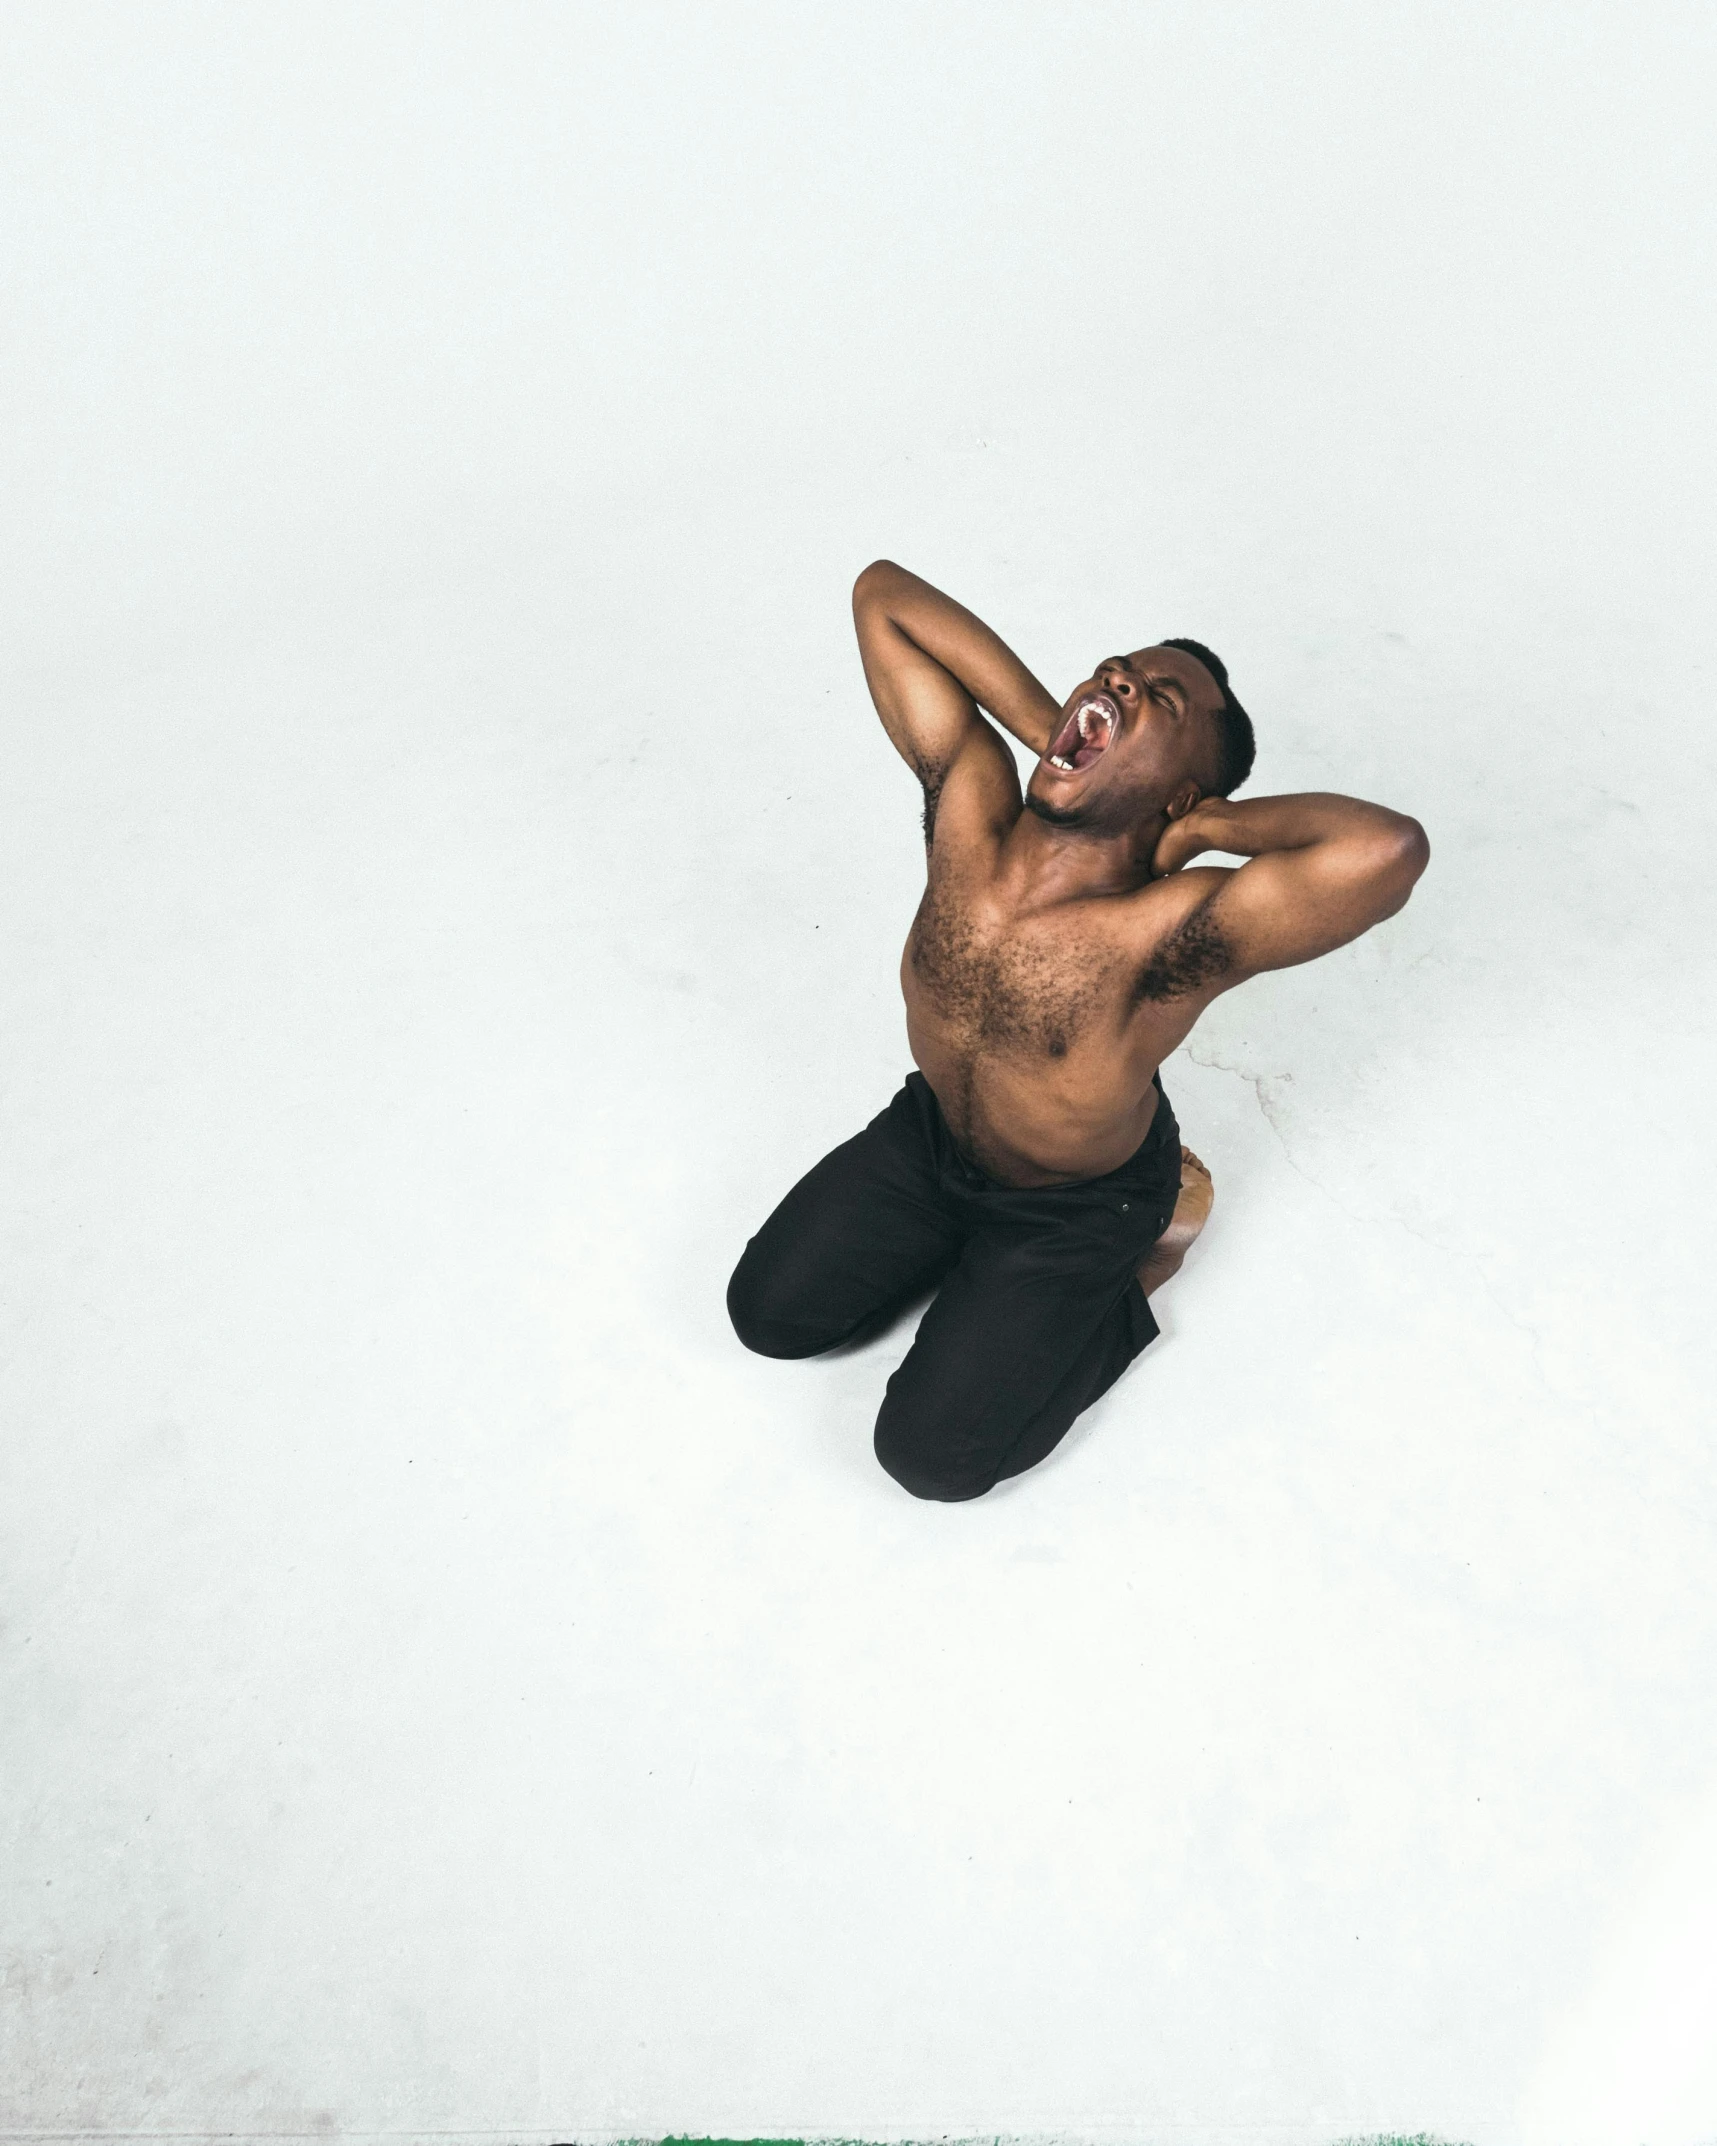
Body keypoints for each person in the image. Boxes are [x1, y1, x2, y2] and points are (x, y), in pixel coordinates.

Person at [726, 561, 1430, 1501]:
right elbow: (883, 596)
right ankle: (958, 1258)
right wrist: (1041, 731)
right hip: (928, 1134)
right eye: (1113, 672)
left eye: (1161, 701)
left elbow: (1386, 850)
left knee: (934, 1461)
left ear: (1179, 796)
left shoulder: (1173, 928)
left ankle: (1133, 1269)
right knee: (766, 1318)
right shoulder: (969, 806)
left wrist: (1211, 826)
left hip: (1076, 1206)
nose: (1117, 679)